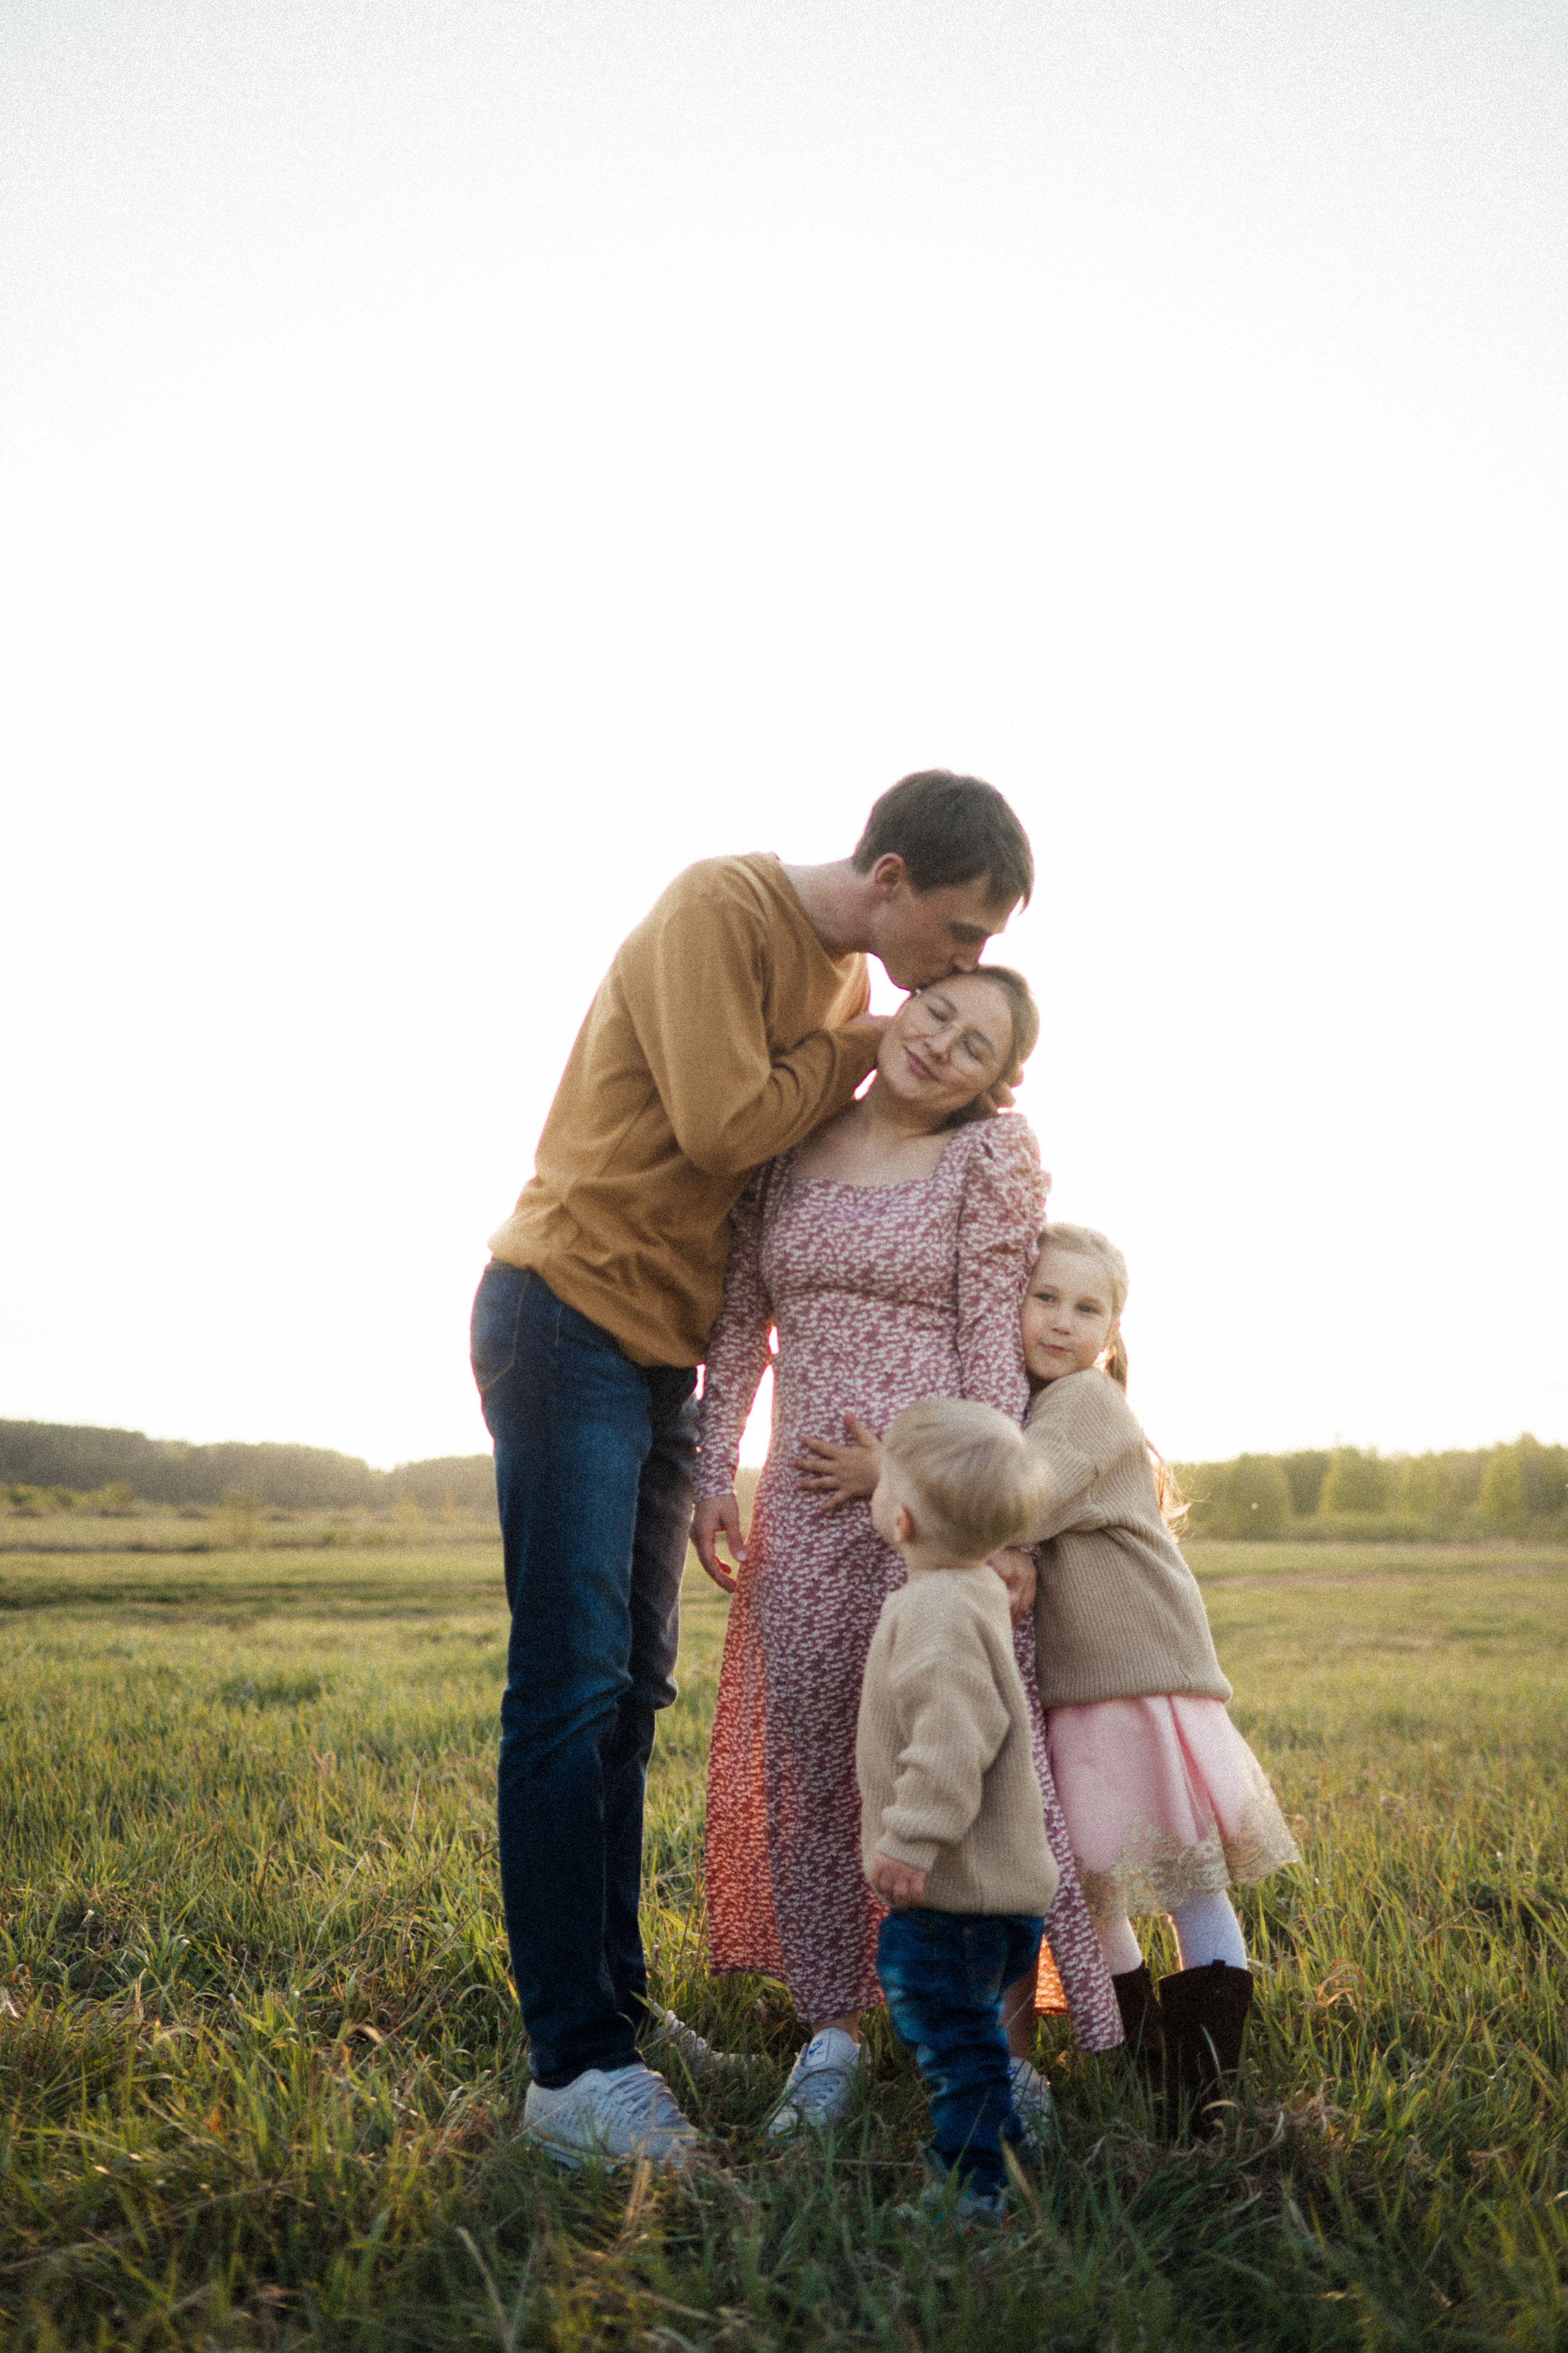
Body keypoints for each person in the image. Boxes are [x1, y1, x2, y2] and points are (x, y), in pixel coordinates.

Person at [469, 769, 1035, 2169]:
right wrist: (861, 1047)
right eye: (963, 932)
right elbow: (730, 1128)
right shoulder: (721, 909)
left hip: (656, 1354)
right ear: (892, 876)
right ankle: (570, 2068)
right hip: (567, 1313)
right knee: (567, 1688)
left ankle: (617, 2006)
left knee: (628, 1695)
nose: (957, 967)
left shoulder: (839, 972)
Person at [692, 972, 1122, 2155]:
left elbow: (991, 1340)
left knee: (981, 1756)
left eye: (977, 1046)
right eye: (939, 1013)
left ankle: (1010, 2049)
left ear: (997, 1082)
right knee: (815, 1758)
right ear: (901, 1006)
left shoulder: (988, 1159)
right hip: (809, 1506)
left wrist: (1001, 1522)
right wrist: (714, 1463)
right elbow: (741, 1320)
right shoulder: (791, 1133)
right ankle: (829, 2035)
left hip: (947, 1500)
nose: (943, 1046)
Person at [1016, 1222, 1300, 2130]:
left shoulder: (1084, 1403)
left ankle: (1202, 2087)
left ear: (1112, 1333)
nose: (1062, 1321)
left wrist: (896, 1469)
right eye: (1044, 1297)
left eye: (1086, 1308)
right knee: (1092, 1883)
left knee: (1185, 1881)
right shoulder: (1038, 1402)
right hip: (1084, 1687)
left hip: (1137, 1678)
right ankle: (1145, 2069)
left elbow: (1021, 1497)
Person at [856, 1398, 1060, 2225]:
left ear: (900, 1518)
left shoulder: (934, 1610)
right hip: (997, 1893)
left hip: (955, 1895)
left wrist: (911, 1839)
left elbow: (952, 1739)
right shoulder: (975, 1587)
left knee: (951, 2035)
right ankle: (1005, 2138)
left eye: (883, 1483)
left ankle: (976, 2189)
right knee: (972, 2032)